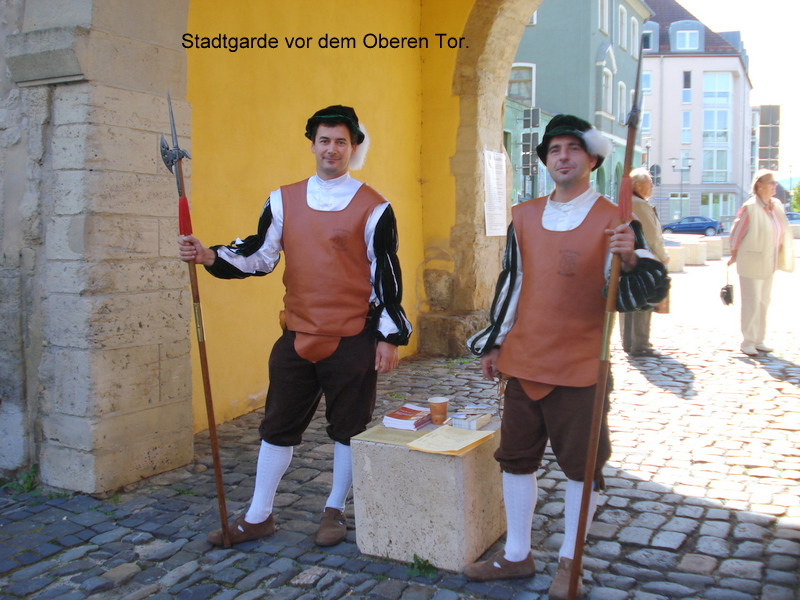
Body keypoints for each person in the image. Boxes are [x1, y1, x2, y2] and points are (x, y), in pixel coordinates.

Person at [178, 105, 412, 547]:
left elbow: (386, 275)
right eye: (324, 140)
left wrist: (389, 336)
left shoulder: (375, 207)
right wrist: (209, 256)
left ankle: (334, 510)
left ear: (353, 147)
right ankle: (258, 514)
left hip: (352, 337)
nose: (332, 149)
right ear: (313, 145)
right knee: (277, 425)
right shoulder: (283, 200)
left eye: (341, 141)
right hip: (297, 334)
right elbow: (261, 254)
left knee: (349, 428)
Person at [464, 115, 669, 599]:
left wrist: (631, 257)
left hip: (580, 365)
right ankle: (517, 554)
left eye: (573, 149)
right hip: (524, 359)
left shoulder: (617, 220)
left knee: (582, 466)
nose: (563, 157)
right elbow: (512, 283)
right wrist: (495, 342)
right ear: (545, 160)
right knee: (515, 459)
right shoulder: (523, 215)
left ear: (592, 159)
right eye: (554, 149)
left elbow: (644, 292)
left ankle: (570, 563)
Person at [728, 169, 794, 356]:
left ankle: (759, 339)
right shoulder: (750, 207)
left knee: (764, 301)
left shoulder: (776, 205)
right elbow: (736, 235)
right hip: (751, 260)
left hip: (769, 260)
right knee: (752, 301)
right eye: (771, 182)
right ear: (759, 185)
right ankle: (748, 341)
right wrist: (734, 255)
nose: (775, 186)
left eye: (775, 182)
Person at [619, 167, 670, 357]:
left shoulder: (628, 202)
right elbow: (651, 235)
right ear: (638, 185)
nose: (652, 186)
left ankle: (629, 342)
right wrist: (663, 256)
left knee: (629, 298)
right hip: (643, 258)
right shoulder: (639, 204)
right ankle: (640, 344)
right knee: (643, 299)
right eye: (650, 183)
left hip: (629, 257)